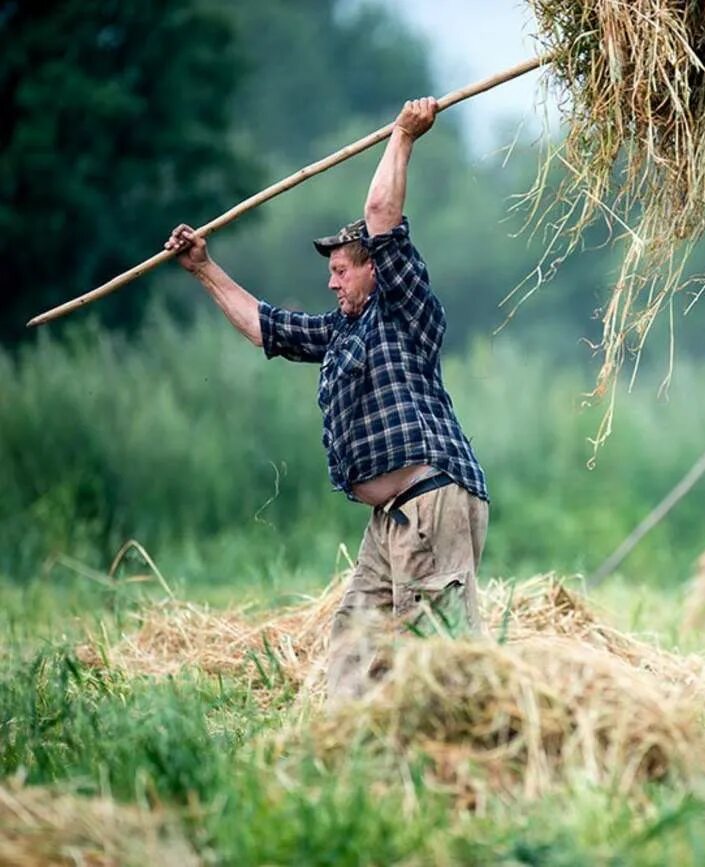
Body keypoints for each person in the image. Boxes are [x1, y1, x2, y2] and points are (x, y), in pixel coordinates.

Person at [164, 98, 489, 704]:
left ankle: (468, 746)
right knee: (356, 634)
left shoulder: (404, 309)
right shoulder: (342, 332)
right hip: (389, 519)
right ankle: (345, 747)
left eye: (342, 269)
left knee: (442, 650)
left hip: (430, 499)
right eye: (331, 272)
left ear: (373, 271)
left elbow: (380, 211)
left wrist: (403, 135)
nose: (332, 281)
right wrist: (203, 269)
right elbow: (267, 327)